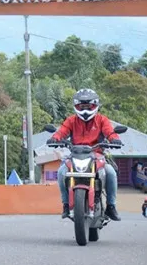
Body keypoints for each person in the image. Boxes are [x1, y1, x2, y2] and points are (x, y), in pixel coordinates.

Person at [47, 88, 123, 221]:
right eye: (82, 106)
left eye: (88, 105)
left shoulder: (102, 120)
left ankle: (111, 206)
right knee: (60, 172)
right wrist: (55, 138)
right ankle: (65, 204)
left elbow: (110, 132)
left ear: (95, 105)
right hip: (75, 155)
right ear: (76, 106)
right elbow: (62, 131)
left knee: (111, 172)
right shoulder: (71, 120)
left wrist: (114, 139)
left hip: (97, 154)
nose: (85, 108)